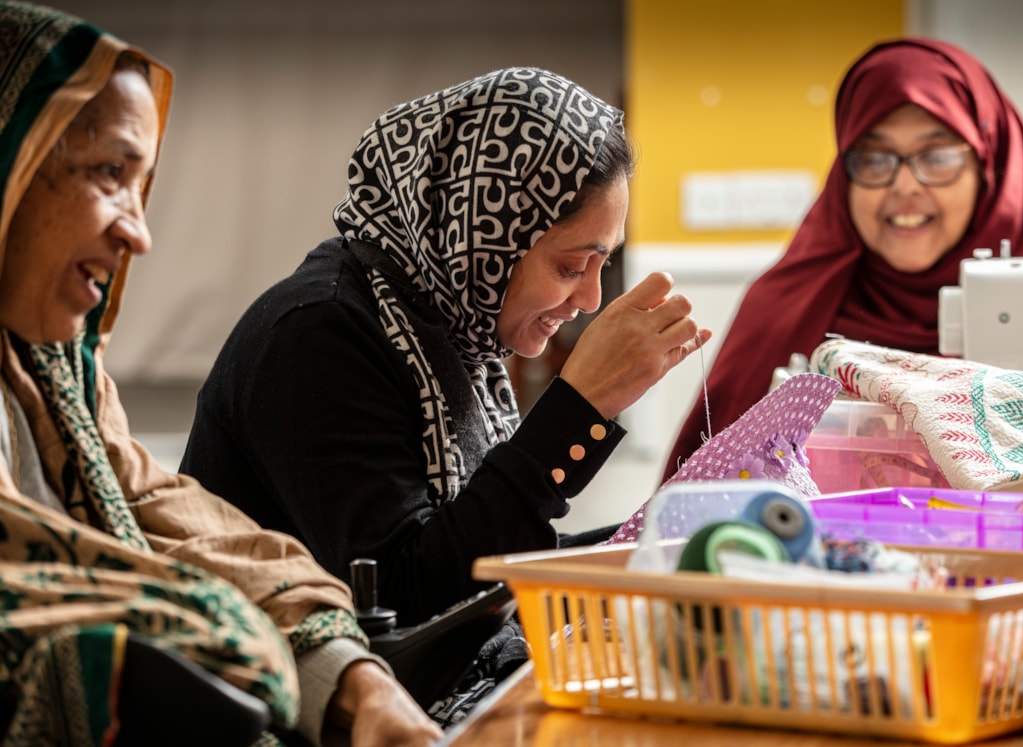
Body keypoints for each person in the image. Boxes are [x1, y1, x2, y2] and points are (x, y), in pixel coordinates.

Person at [0, 3, 441, 745]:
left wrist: (354, 681)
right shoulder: (323, 325)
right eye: (109, 173)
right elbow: (422, 571)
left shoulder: (59, 369)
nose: (138, 233)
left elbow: (168, 519)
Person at [180, 68, 707, 634]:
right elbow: (406, 601)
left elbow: (491, 557)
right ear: (484, 233)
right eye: (572, 266)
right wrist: (577, 409)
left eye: (604, 264)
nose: (590, 298)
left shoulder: (453, 332)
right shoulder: (319, 333)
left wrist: (668, 542)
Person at [662, 37, 1023, 481]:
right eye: (874, 159)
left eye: (937, 156)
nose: (906, 185)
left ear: (988, 165)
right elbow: (698, 498)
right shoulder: (787, 309)